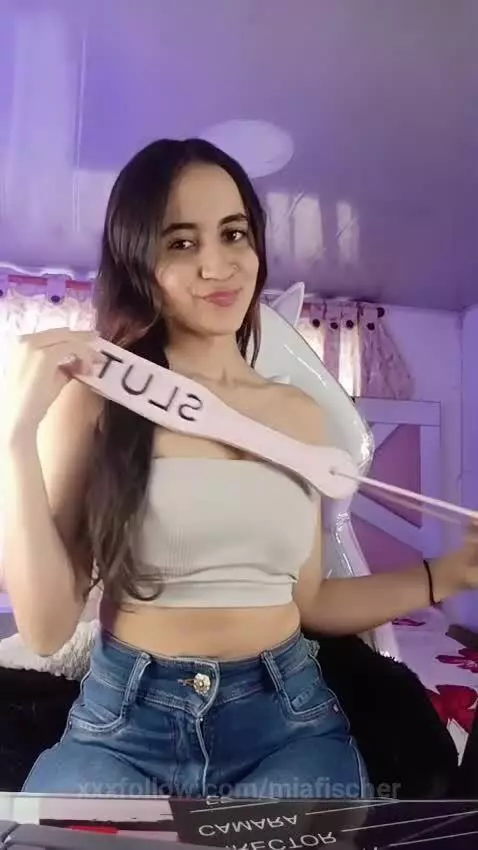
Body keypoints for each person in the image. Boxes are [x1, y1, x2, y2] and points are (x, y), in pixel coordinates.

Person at [2, 138, 478, 799]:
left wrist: (449, 574)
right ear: (139, 261)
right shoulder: (97, 399)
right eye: (181, 242)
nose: (218, 265)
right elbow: (47, 628)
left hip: (287, 719)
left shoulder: (299, 416)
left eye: (234, 234)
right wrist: (15, 441)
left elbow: (311, 600)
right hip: (124, 725)